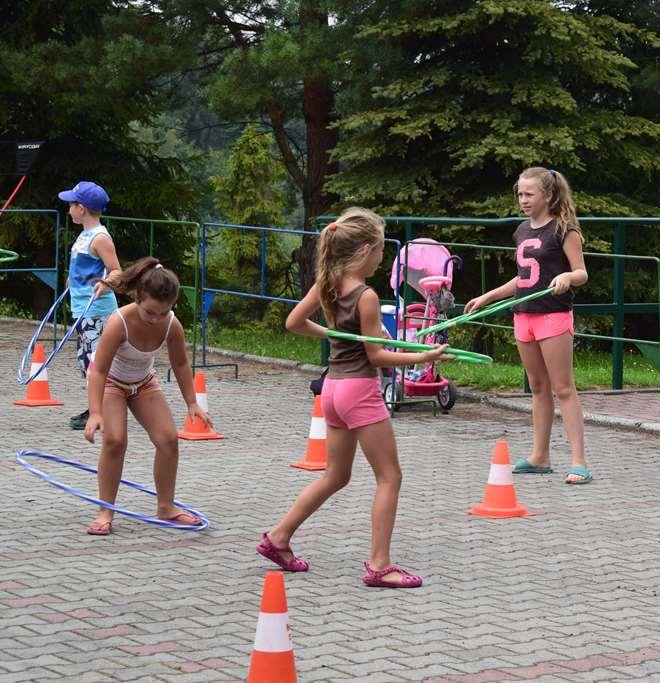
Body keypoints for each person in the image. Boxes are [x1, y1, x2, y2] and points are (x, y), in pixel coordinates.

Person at [257, 207, 449, 587]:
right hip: (359, 390)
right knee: (390, 476)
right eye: (380, 251)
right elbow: (377, 356)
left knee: (336, 475)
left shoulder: (328, 283)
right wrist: (423, 357)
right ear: (364, 250)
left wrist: (333, 334)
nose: (382, 259)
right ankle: (380, 565)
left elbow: (293, 322)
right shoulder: (366, 295)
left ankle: (278, 537)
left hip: (332, 389)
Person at [464, 167, 591, 484]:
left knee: (563, 388)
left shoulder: (564, 229)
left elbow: (581, 272)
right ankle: (540, 456)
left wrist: (567, 277)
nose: (523, 199)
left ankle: (579, 461)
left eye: (529, 194)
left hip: (552, 315)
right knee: (537, 387)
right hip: (524, 315)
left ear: (548, 195)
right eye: (520, 194)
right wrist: (488, 297)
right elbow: (523, 278)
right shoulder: (522, 230)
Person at [83, 258, 210, 536]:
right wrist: (95, 413)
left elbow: (180, 364)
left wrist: (192, 402)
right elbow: (99, 370)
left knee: (168, 439)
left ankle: (166, 507)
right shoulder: (119, 322)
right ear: (138, 297)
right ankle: (105, 510)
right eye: (150, 312)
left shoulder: (171, 325)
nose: (155, 319)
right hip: (111, 383)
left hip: (143, 383)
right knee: (115, 440)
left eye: (163, 313)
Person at [60, 181, 122, 430]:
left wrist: (105, 284)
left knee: (96, 363)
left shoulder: (100, 238)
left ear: (82, 208)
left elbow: (117, 271)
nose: (68, 210)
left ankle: (101, 412)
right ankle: (99, 408)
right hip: (83, 310)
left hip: (97, 311)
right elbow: (84, 268)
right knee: (87, 361)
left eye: (71, 205)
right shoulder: (84, 235)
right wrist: (71, 280)